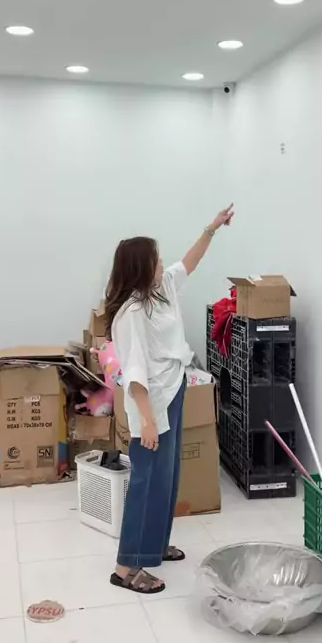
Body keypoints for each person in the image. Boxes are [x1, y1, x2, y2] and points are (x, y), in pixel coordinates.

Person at [105, 204, 234, 594]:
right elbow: (135, 372)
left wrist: (212, 228)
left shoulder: (160, 292)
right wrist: (146, 421)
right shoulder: (131, 313)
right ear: (141, 268)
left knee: (168, 477)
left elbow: (189, 263)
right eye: (157, 260)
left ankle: (155, 546)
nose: (163, 264)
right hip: (151, 403)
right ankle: (126, 567)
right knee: (146, 482)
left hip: (172, 389)